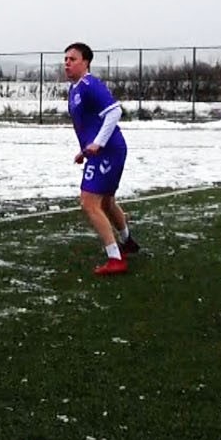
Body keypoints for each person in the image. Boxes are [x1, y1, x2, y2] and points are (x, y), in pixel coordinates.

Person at [64, 42, 139, 275]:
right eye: (65, 59)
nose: (67, 63)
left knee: (89, 202)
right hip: (103, 151)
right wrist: (85, 150)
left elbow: (114, 111)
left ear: (85, 62)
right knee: (106, 202)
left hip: (109, 151)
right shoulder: (75, 89)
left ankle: (116, 259)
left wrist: (98, 144)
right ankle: (127, 242)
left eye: (72, 59)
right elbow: (90, 124)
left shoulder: (90, 85)